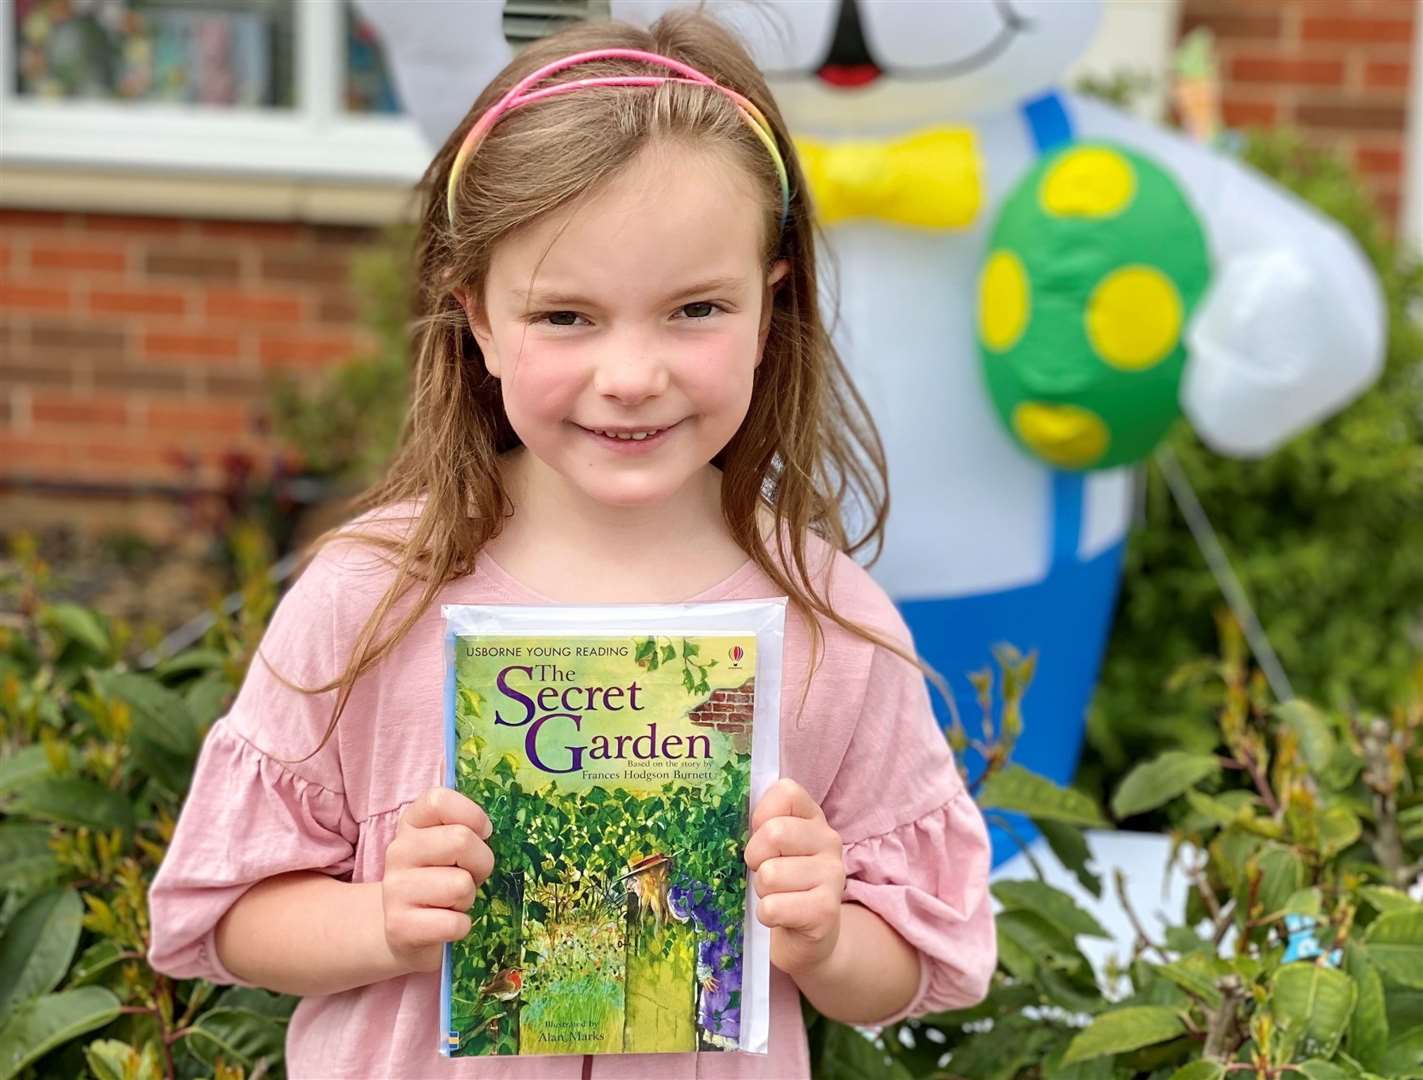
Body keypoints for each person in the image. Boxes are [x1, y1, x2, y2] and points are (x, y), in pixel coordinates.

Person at [146, 10, 994, 1078]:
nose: (631, 374)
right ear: (480, 318)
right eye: (566, 317)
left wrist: (822, 932)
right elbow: (217, 915)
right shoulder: (371, 594)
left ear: (769, 307)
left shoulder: (830, 626)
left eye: (694, 309)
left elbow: (927, 961)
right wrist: (383, 922)